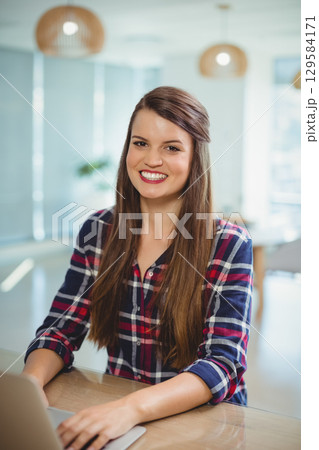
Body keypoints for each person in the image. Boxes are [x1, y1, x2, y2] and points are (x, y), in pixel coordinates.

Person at [23, 86, 253, 450]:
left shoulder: (227, 242)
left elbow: (223, 364)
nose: (151, 160)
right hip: (120, 416)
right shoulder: (98, 232)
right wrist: (29, 387)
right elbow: (60, 330)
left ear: (196, 158)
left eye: (172, 147)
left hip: (203, 425)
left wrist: (129, 409)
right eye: (140, 143)